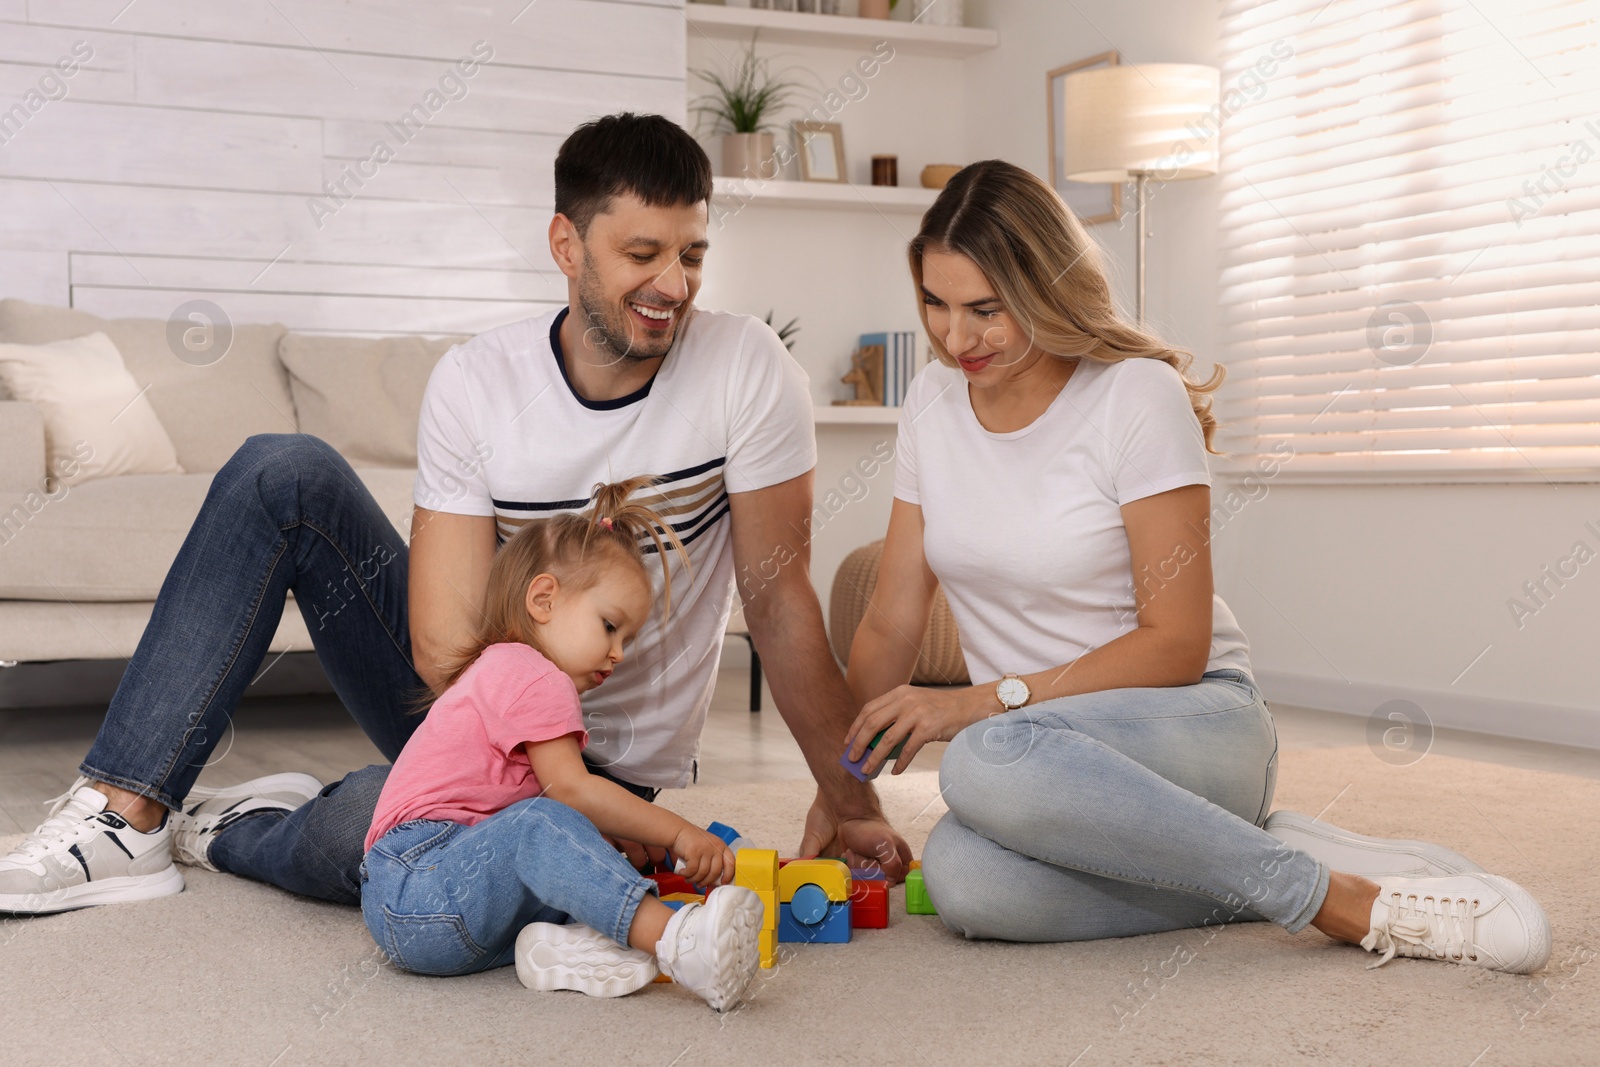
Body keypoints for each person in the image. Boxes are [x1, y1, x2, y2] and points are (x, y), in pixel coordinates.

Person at [0, 112, 910, 919]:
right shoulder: (479, 382)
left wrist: (852, 797)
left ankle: (242, 825)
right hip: (476, 709)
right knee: (284, 471)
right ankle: (124, 816)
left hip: (607, 768)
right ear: (566, 243)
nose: (672, 283)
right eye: (642, 254)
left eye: (692, 254)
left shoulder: (749, 369)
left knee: (357, 826)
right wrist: (482, 766)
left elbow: (782, 604)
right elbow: (441, 652)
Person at [843, 160, 1551, 974]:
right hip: (1051, 761)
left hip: (1193, 722)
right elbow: (893, 615)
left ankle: (1341, 902)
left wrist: (976, 704)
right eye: (935, 302)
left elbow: (1175, 645)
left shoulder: (1133, 395)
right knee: (968, 880)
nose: (954, 337)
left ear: (1044, 290)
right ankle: (1245, 854)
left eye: (985, 310)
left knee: (981, 759)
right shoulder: (933, 404)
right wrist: (848, 784)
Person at [360, 476, 762, 1010]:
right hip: (415, 885)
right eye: (610, 626)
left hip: (450, 910)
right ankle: (677, 941)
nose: (617, 653)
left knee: (566, 838)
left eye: (627, 639)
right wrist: (681, 833)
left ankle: (565, 946)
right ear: (544, 599)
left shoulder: (510, 673)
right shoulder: (529, 672)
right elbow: (571, 791)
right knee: (545, 822)